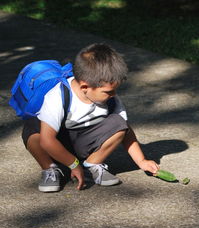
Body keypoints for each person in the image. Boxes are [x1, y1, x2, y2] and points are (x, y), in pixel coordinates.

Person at [22, 43, 159, 192]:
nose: (113, 95)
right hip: (56, 146)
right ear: (84, 87)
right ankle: (50, 169)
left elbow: (127, 130)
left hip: (85, 144)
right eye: (108, 92)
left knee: (119, 123)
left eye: (114, 90)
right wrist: (73, 165)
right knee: (32, 129)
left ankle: (93, 164)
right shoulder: (58, 96)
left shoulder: (110, 98)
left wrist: (142, 161)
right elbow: (47, 141)